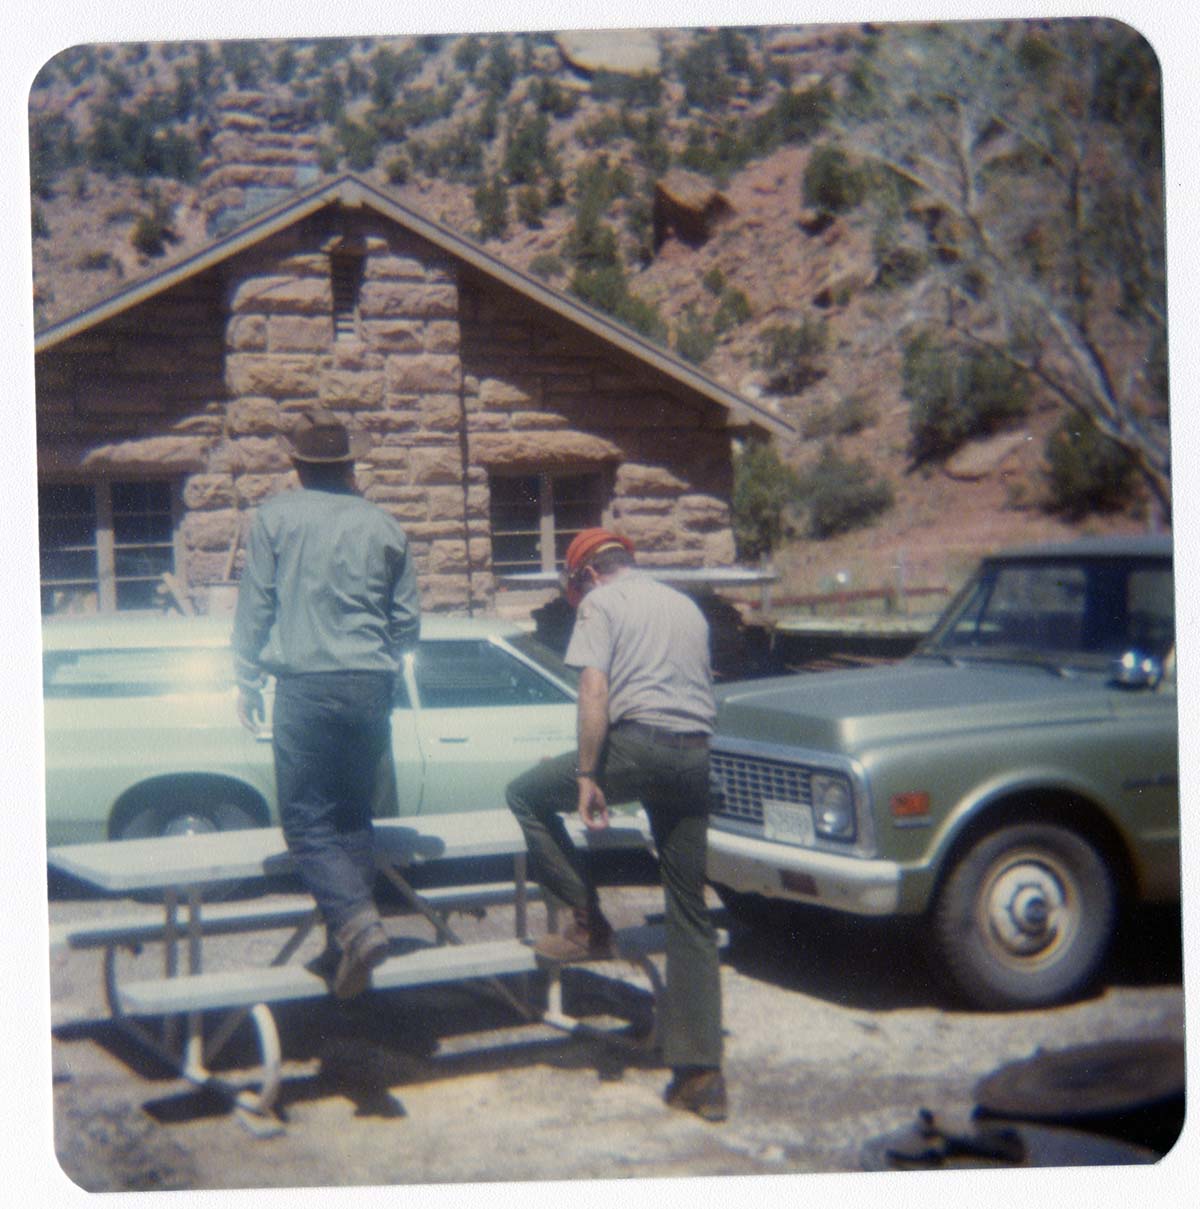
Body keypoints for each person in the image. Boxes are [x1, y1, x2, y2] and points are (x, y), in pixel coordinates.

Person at [505, 528, 727, 1122]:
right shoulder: (684, 605)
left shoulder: (602, 602)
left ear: (586, 575)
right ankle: (702, 1076)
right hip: (695, 753)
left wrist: (586, 774)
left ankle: (587, 923)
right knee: (689, 909)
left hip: (638, 745)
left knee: (525, 794)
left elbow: (594, 688)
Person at [233, 408, 420, 999]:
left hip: (307, 685)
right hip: (370, 683)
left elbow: (256, 605)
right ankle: (344, 950)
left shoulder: (275, 518)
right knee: (352, 816)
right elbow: (407, 623)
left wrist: (245, 678)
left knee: (306, 822)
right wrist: (380, 660)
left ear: (298, 467)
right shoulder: (385, 524)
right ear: (348, 465)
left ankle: (359, 926)